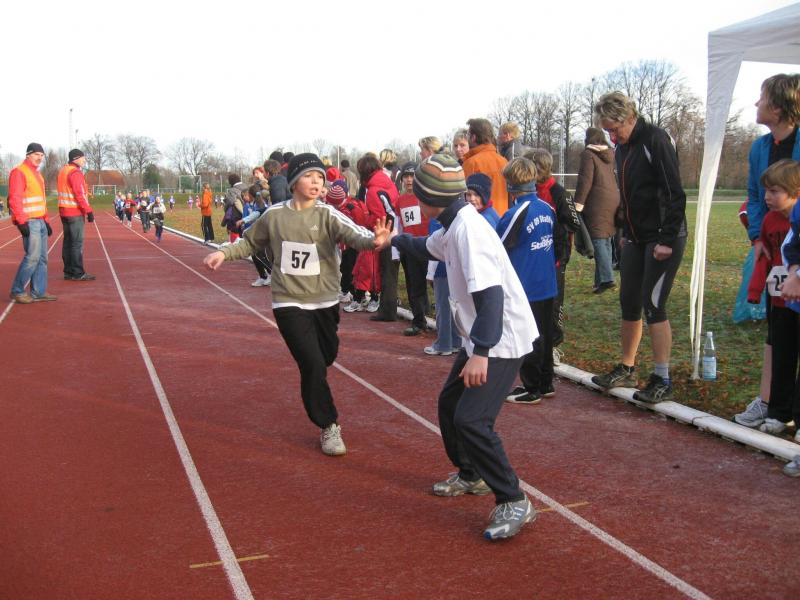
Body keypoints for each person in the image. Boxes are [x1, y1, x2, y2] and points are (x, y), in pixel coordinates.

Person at [203, 153, 391, 456]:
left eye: (320, 178)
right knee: (312, 363)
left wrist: (375, 241)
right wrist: (224, 253)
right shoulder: (274, 215)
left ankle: (317, 386)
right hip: (288, 301)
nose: (316, 182)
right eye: (309, 177)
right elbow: (250, 242)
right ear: (293, 182)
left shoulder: (328, 214)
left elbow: (355, 235)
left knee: (326, 356)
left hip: (325, 300)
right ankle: (328, 425)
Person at [390, 153, 537, 540]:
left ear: (429, 199)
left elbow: (492, 298)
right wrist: (392, 240)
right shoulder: (453, 222)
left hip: (501, 338)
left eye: (419, 193)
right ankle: (472, 475)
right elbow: (426, 247)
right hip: (481, 334)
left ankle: (514, 498)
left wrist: (481, 353)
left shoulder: (469, 232)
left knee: (472, 420)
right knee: (449, 404)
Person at [590, 91, 687, 403]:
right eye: (607, 131)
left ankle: (662, 377)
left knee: (653, 303)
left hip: (663, 236)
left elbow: (675, 193)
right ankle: (627, 367)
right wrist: (625, 231)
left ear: (629, 118)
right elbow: (628, 195)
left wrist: (666, 239)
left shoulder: (655, 140)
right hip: (635, 236)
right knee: (628, 301)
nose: (612, 137)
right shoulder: (622, 148)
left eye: (615, 129)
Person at [736, 73, 800, 428]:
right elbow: (754, 194)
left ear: (778, 105)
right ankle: (772, 403)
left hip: (798, 246)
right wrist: (758, 238)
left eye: (761, 98)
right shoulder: (759, 147)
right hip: (773, 248)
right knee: (778, 329)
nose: (756, 104)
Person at [746, 160, 799, 440]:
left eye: (775, 191)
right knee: (782, 355)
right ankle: (779, 413)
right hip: (779, 300)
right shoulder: (769, 220)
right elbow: (764, 260)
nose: (767, 196)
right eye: (766, 190)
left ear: (795, 192)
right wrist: (755, 292)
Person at [497, 157, 558, 405]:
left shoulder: (515, 213)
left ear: (511, 185)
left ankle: (531, 387)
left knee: (528, 335)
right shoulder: (547, 208)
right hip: (547, 282)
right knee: (545, 333)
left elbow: (498, 247)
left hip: (526, 285)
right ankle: (546, 382)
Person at [527, 148, 581, 358]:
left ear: (541, 168)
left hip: (555, 257)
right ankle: (535, 342)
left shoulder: (559, 193)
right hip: (534, 256)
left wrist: (551, 228)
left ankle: (554, 345)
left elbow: (573, 222)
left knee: (554, 301)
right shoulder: (528, 191)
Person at [8, 143, 56, 304]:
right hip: (29, 222)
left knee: (42, 258)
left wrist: (46, 221)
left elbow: (41, 201)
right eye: (36, 154)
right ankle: (17, 290)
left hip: (40, 221)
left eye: (42, 155)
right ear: (28, 155)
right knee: (32, 257)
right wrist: (21, 222)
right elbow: (15, 198)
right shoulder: (19, 172)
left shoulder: (38, 175)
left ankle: (38, 291)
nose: (39, 158)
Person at [573, 127, 620, 293]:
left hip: (597, 202)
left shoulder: (588, 155)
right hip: (612, 199)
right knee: (606, 238)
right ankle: (600, 282)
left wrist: (578, 204)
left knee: (598, 239)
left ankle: (607, 278)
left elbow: (585, 180)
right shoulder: (610, 154)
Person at [362, 153, 399, 320]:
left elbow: (379, 217)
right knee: (393, 272)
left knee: (387, 272)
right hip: (397, 228)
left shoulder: (372, 190)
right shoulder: (388, 182)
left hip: (387, 233)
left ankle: (387, 311)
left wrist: (365, 220)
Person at [395, 161, 430, 336]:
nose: (409, 180)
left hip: (429, 246)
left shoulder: (426, 196)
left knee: (436, 284)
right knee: (414, 285)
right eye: (406, 177)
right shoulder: (400, 201)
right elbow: (399, 225)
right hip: (410, 249)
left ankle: (444, 322)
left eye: (412, 176)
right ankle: (419, 321)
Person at [57, 148, 96, 281]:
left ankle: (68, 271)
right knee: (76, 243)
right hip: (74, 212)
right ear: (76, 159)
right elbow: (79, 194)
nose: (84, 160)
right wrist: (88, 210)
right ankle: (78, 272)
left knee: (68, 242)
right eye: (82, 157)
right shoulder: (75, 172)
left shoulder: (63, 170)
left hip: (64, 211)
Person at [462, 118, 510, 215]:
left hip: (480, 219)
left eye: (468, 134)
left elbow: (463, 198)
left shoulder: (471, 163)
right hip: (501, 217)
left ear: (473, 137)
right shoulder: (504, 161)